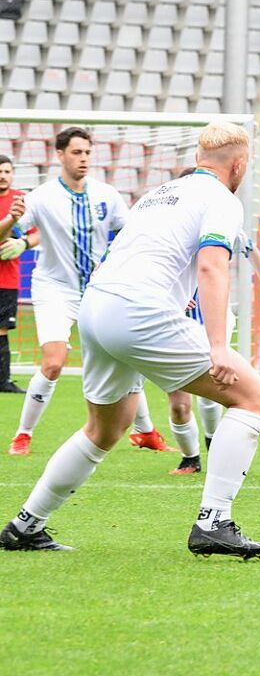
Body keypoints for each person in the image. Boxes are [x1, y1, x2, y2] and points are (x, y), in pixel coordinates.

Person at [0, 121, 260, 558]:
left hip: (97, 306)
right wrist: (218, 345)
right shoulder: (221, 198)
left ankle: (25, 525)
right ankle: (214, 522)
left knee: (104, 429)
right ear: (239, 165)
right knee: (253, 397)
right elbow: (211, 266)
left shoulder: (160, 193)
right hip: (140, 312)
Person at [0, 128, 170, 456]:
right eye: (77, 153)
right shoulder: (42, 196)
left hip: (99, 290)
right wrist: (10, 220)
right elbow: (8, 234)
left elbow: (130, 235)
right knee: (53, 363)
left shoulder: (107, 195)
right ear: (60, 155)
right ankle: (23, 435)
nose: (83, 159)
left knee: (124, 354)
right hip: (55, 290)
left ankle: (146, 432)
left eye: (87, 153)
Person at [165, 169, 260, 476]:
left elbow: (251, 250)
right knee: (177, 402)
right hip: (173, 318)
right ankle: (190, 457)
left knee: (212, 384)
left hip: (213, 318)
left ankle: (213, 444)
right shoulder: (167, 231)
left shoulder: (219, 223)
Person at [0, 155, 37, 394]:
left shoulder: (20, 200)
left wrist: (23, 243)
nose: (2, 176)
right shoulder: (13, 208)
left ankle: (3, 381)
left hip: (7, 279)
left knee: (1, 329)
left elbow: (39, 233)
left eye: (6, 171)